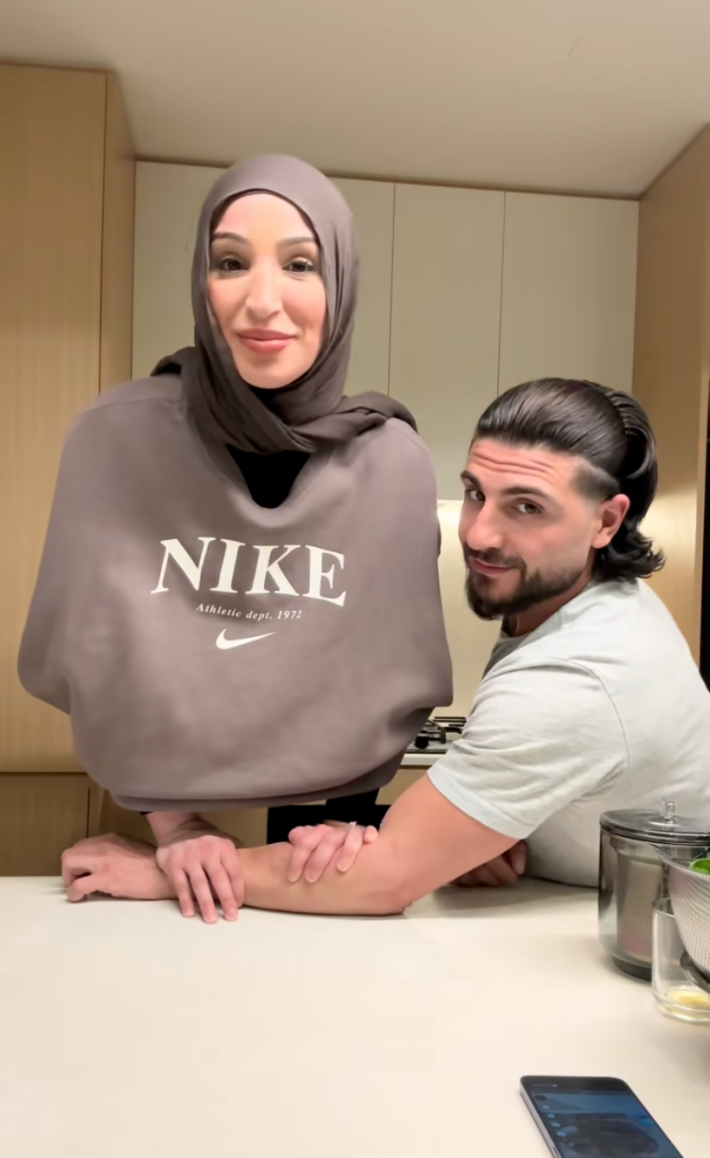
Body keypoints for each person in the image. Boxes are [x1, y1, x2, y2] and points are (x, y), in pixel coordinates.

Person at [60, 378, 710, 918]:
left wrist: (161, 872)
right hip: (577, 908)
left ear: (607, 520)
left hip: (659, 940)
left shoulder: (582, 674)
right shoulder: (566, 607)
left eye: (527, 508)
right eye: (477, 492)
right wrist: (470, 835)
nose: (479, 532)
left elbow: (384, 879)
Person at [19, 155, 453, 920]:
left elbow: (391, 671)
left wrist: (368, 828)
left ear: (341, 284)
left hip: (336, 841)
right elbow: (94, 653)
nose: (262, 301)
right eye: (229, 262)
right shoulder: (114, 438)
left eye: (299, 264)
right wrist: (176, 825)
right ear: (200, 281)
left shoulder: (394, 463)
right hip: (153, 840)